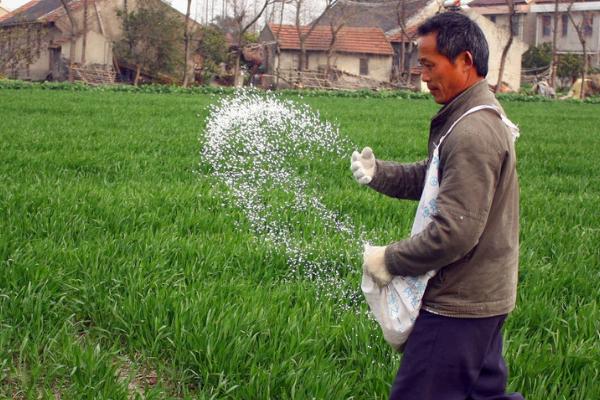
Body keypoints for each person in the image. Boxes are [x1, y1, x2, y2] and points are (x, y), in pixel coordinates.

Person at [351, 12, 524, 400]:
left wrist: (389, 260)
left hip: (458, 306)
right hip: (484, 299)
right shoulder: (471, 116)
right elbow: (435, 179)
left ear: (464, 61)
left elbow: (454, 233)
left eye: (429, 65)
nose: (423, 76)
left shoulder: (472, 132)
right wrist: (378, 173)